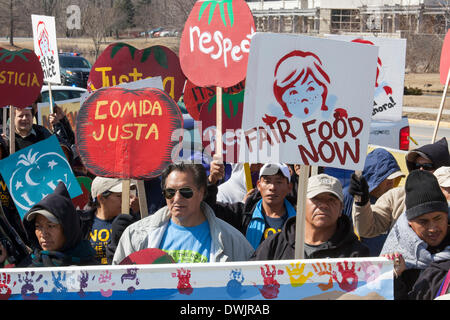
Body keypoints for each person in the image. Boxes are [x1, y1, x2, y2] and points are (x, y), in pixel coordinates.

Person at [112, 163, 254, 264]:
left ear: (202, 192)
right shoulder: (136, 235)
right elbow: (118, 286)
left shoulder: (232, 240)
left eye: (186, 192)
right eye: (170, 192)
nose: (177, 198)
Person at [250, 173, 369, 260]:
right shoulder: (274, 245)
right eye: (316, 199)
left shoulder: (357, 254)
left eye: (331, 200)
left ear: (340, 208)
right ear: (301, 204)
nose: (323, 205)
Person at [350, 137, 450, 239]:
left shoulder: (447, 199)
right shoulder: (396, 197)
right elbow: (366, 229)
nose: (420, 170)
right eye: (416, 165)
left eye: (427, 166)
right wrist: (361, 202)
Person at [380, 170, 450, 300]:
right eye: (423, 221)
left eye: (438, 218)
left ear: (447, 216)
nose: (433, 228)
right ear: (409, 223)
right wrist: (393, 277)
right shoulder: (395, 256)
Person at [0, 182, 97, 267]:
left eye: (50, 226)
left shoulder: (96, 272)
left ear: (68, 228)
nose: (43, 233)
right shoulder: (26, 272)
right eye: (38, 226)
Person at [207, 162, 297, 251]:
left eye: (278, 182)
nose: (272, 187)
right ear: (259, 185)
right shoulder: (243, 214)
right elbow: (208, 209)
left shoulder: (301, 217)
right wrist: (211, 182)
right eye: (267, 181)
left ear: (289, 187)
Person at [345, 148, 405, 256]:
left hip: (384, 265)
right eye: (387, 180)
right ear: (374, 178)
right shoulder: (350, 197)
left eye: (395, 180)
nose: (391, 184)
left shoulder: (394, 201)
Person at [79, 177, 139, 265]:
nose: (125, 200)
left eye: (126, 195)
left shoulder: (129, 222)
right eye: (119, 196)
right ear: (101, 198)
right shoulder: (83, 222)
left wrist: (137, 215)